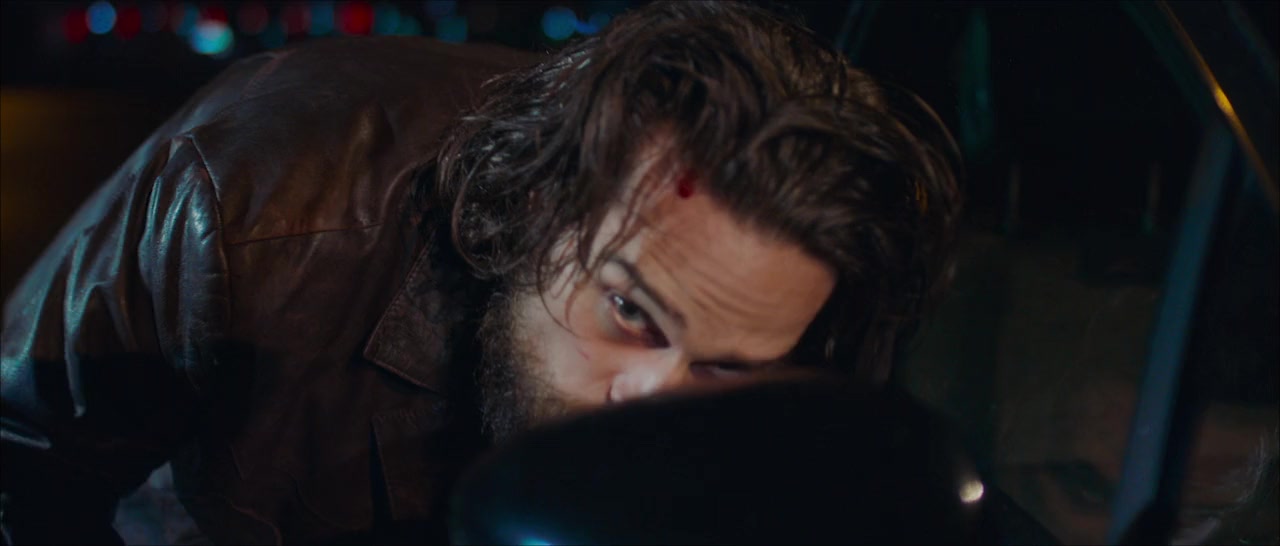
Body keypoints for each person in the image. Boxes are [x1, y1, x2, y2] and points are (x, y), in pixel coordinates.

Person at [0, 2, 961, 544]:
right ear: (540, 201)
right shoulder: (265, 199)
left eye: (725, 369)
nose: (651, 400)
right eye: (631, 312)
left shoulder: (820, 374)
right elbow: (22, 464)